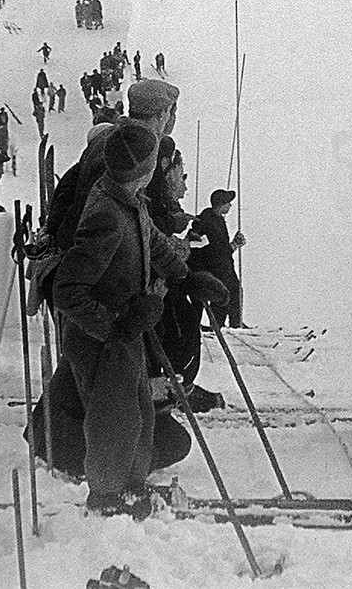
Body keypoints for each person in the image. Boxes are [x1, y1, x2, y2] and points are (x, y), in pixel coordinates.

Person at [51, 120, 226, 517]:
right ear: (146, 169)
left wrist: (188, 277)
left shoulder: (130, 202)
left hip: (126, 331)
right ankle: (107, 497)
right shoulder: (107, 214)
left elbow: (157, 246)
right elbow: (68, 291)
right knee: (114, 418)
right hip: (102, 337)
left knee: (138, 414)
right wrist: (115, 324)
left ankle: (130, 485)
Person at [188, 190, 245, 328]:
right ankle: (218, 325)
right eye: (227, 203)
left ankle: (235, 323)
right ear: (221, 204)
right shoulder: (208, 220)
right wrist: (234, 245)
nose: (230, 206)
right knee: (223, 293)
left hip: (223, 265)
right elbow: (215, 250)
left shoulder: (215, 218)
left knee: (235, 290)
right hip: (215, 267)